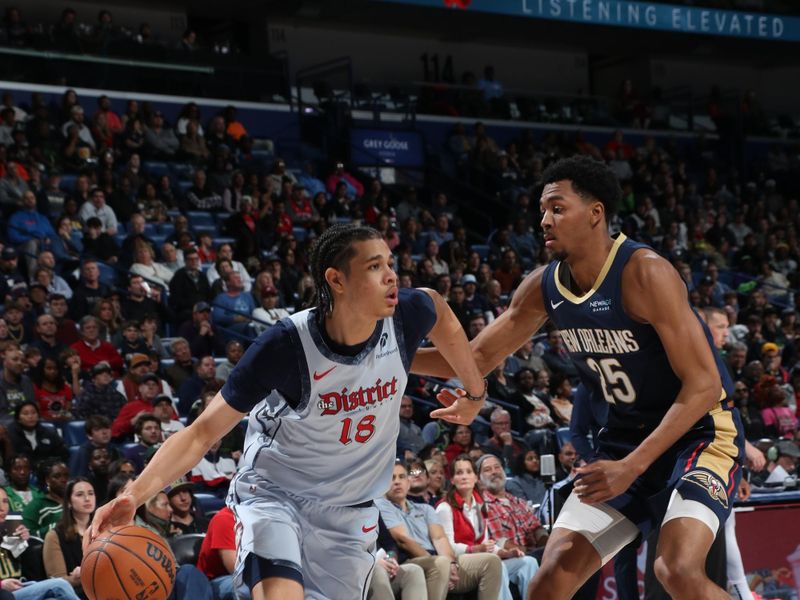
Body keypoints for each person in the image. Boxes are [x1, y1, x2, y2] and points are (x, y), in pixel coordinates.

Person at [88, 223, 489, 600]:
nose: (391, 277)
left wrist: (475, 392)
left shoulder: (408, 315)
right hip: (277, 494)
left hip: (350, 510)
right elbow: (201, 433)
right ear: (336, 280)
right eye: (373, 266)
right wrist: (134, 494)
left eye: (390, 263)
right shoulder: (285, 346)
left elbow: (445, 320)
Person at [414, 155, 744, 600]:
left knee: (677, 570)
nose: (545, 220)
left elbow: (704, 385)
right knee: (548, 583)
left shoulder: (645, 272)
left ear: (596, 213)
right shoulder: (543, 287)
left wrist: (633, 465)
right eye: (542, 211)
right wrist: (384, 352)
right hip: (624, 442)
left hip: (699, 436)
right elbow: (471, 358)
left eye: (556, 208)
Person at [377, 461, 503, 600]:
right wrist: (438, 562)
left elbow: (440, 538)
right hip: (412, 560)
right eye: (392, 478)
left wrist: (452, 565)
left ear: (408, 482)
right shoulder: (382, 505)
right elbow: (403, 540)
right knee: (440, 564)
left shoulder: (426, 509)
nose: (397, 482)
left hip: (440, 559)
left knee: (491, 561)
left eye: (401, 477)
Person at [435, 455, 539, 600]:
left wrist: (505, 553)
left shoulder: (479, 504)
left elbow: (486, 544)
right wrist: (475, 549)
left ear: (476, 477)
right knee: (495, 564)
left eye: (468, 472)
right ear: (452, 480)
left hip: (481, 558)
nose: (464, 476)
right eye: (459, 473)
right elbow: (447, 547)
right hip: (457, 561)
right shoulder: (444, 507)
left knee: (528, 562)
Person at [0, 487, 82, 600]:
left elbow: (30, 573)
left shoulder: (9, 531)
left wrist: (26, 544)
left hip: (20, 588)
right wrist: (2, 584)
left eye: (5, 501)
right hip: (4, 593)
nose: (2, 508)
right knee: (60, 584)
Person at [43, 478, 96, 596]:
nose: (87, 499)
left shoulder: (104, 530)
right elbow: (57, 583)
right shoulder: (54, 536)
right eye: (80, 494)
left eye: (91, 493)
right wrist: (82, 576)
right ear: (69, 502)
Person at [196, 506, 250, 600]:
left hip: (246, 575)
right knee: (245, 588)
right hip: (210, 584)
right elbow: (236, 569)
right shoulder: (225, 518)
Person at [7, 401, 69, 469]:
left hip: (47, 471)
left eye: (33, 413)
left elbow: (63, 452)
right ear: (18, 419)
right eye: (25, 414)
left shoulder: (47, 432)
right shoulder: (10, 434)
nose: (30, 416)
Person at [22, 459, 68, 537]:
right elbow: (28, 535)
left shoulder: (75, 500)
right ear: (47, 480)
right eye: (57, 476)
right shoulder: (37, 505)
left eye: (66, 475)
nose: (63, 480)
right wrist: (56, 526)